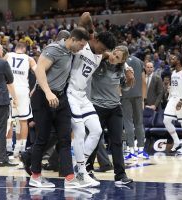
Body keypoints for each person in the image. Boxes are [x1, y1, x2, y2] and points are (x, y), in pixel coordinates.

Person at [29, 27, 90, 188]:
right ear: (73, 40)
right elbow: (39, 69)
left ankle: (69, 178)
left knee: (64, 139)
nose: (82, 49)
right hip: (44, 96)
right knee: (42, 138)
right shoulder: (53, 49)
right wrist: (48, 92)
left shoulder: (71, 52)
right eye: (81, 45)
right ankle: (35, 176)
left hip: (61, 98)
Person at [67, 12, 117, 187]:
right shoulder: (85, 44)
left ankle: (80, 168)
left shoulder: (100, 54)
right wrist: (92, 31)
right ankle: (79, 174)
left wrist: (122, 64)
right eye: (102, 48)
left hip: (82, 96)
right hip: (70, 93)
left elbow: (110, 54)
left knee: (96, 131)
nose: (103, 52)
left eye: (105, 51)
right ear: (95, 40)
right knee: (79, 132)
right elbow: (86, 16)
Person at [86, 45, 134, 185]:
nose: (113, 57)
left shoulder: (121, 70)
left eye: (118, 57)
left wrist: (130, 80)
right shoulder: (99, 63)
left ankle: (120, 175)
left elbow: (124, 87)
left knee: (117, 142)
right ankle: (88, 171)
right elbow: (94, 53)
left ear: (121, 61)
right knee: (94, 140)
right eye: (114, 53)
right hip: (97, 107)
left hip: (115, 108)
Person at [5, 42, 37, 157]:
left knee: (9, 120)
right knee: (23, 121)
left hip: (9, 89)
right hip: (23, 90)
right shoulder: (29, 59)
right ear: (24, 49)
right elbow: (39, 74)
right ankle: (21, 149)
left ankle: (8, 148)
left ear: (16, 48)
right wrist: (34, 89)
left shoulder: (7, 56)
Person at [121, 54, 148, 159]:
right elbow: (144, 81)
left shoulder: (121, 61)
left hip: (125, 95)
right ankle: (141, 150)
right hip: (138, 96)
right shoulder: (139, 61)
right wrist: (143, 99)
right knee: (139, 123)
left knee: (128, 122)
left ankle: (131, 150)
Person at [163, 54, 182, 153]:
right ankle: (177, 141)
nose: (171, 60)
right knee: (166, 120)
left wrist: (181, 101)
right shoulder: (173, 72)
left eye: (173, 58)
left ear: (178, 61)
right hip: (172, 99)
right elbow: (173, 87)